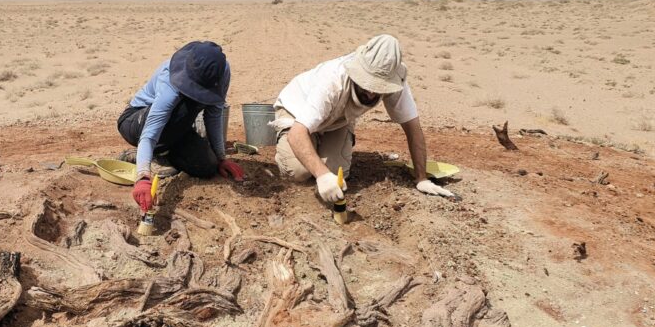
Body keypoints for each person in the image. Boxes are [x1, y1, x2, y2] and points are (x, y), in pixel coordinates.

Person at [272, 34, 454, 202]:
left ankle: (317, 144)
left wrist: (421, 178)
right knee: (299, 173)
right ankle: (292, 144)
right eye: (367, 82)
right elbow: (297, 133)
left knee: (338, 175)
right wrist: (321, 175)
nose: (371, 91)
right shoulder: (332, 81)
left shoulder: (395, 81)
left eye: (379, 86)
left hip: (337, 120)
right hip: (296, 111)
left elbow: (413, 127)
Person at [117, 41, 244, 212]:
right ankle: (144, 156)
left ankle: (164, 154)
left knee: (207, 167)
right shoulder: (169, 79)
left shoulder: (220, 73)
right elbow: (150, 134)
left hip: (176, 129)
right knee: (183, 108)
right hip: (136, 122)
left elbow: (214, 115)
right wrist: (142, 178)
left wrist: (221, 158)